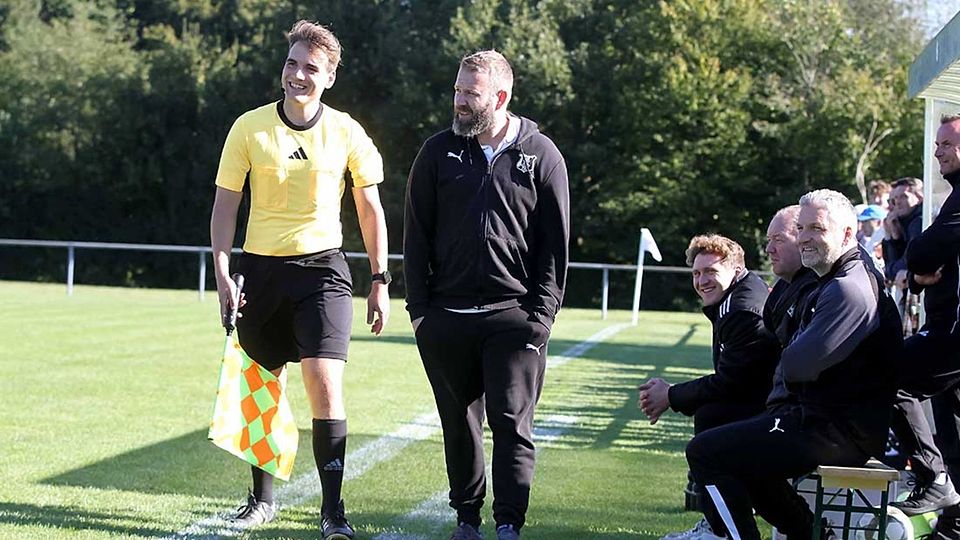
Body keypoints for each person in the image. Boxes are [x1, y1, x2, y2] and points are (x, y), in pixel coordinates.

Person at [210, 20, 390, 539]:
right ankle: (260, 501)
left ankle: (333, 513)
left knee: (324, 383)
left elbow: (370, 210)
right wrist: (223, 272)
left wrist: (380, 279)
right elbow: (226, 206)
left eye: (311, 68)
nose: (297, 75)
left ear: (329, 77)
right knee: (261, 388)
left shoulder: (348, 132)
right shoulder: (248, 128)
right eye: (292, 63)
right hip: (258, 272)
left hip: (324, 272)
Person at [403, 50, 569, 540]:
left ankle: (509, 525)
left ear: (500, 97)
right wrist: (420, 315)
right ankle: (467, 520)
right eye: (456, 90)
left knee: (511, 424)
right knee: (459, 426)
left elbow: (555, 249)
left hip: (514, 318)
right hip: (446, 319)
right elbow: (415, 237)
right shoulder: (436, 152)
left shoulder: (542, 156)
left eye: (469, 94)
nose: (458, 101)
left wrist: (540, 319)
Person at [685, 189, 902, 540]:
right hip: (824, 419)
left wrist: (791, 354)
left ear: (847, 233)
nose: (805, 238)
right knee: (739, 452)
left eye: (816, 228)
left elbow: (797, 365)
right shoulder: (829, 279)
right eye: (801, 228)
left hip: (836, 429)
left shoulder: (848, 288)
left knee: (706, 452)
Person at [639, 234, 779, 540]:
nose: (702, 281)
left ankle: (728, 533)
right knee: (711, 416)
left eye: (711, 272)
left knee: (708, 442)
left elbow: (733, 382)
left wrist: (671, 395)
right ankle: (716, 525)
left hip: (782, 414)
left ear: (735, 269)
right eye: (697, 273)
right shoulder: (739, 294)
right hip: (771, 403)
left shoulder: (741, 309)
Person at [888, 115, 960, 536]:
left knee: (889, 372)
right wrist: (917, 272)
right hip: (947, 328)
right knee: (953, 438)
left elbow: (924, 250)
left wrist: (915, 263)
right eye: (937, 144)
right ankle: (954, 526)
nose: (938, 152)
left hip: (953, 333)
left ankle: (933, 478)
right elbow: (925, 260)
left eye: (947, 143)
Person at [882, 177, 924, 289]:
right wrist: (893, 237)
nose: (898, 203)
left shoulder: (919, 222)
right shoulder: (904, 222)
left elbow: (905, 265)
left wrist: (890, 270)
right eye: (895, 199)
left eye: (904, 197)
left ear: (919, 198)